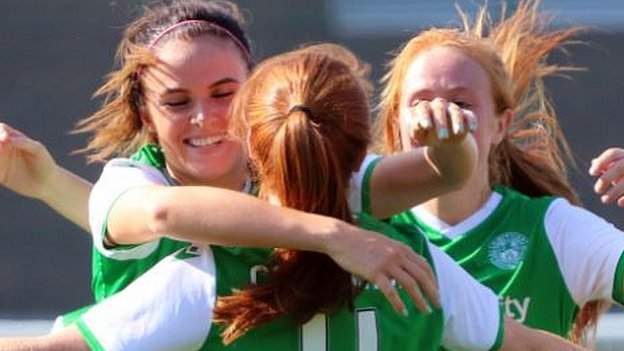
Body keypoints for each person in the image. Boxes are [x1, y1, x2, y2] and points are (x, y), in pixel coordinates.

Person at [0, 44, 587, 351]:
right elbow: (526, 342)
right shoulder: (413, 265)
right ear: (366, 148)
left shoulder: (205, 280)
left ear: (251, 148)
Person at [0, 0, 482, 320]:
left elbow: (444, 174)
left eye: (223, 93)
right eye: (176, 102)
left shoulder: (293, 168)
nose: (205, 118)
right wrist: (337, 236)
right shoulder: (127, 184)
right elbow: (167, 215)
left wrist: (447, 137)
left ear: (253, 91)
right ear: (145, 114)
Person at [372, 0, 624, 344]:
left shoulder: (552, 230)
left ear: (500, 125)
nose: (440, 118)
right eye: (421, 103)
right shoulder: (365, 231)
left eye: (461, 104)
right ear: (394, 122)